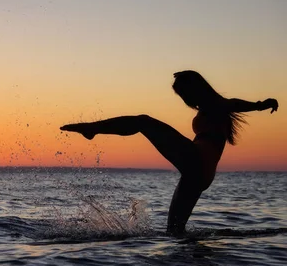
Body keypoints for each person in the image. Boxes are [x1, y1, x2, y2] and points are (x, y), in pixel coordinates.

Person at [60, 70, 279, 234]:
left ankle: (92, 129)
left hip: (197, 160)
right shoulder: (210, 109)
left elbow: (233, 103)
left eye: (184, 94)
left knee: (143, 122)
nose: (185, 100)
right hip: (199, 173)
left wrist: (260, 105)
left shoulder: (215, 104)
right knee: (175, 232)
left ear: (196, 90)